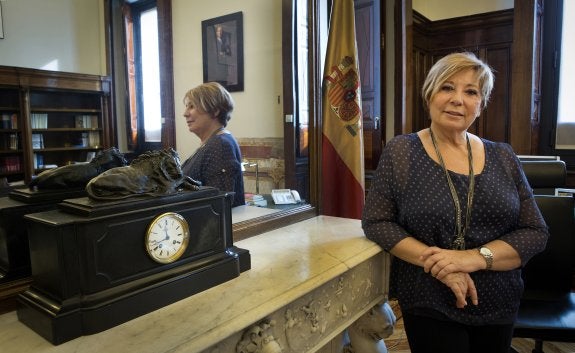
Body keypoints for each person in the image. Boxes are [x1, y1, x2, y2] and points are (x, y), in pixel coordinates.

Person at [362, 52, 548, 353]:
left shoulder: (504, 155)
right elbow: (377, 222)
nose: (457, 99)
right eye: (447, 87)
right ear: (430, 93)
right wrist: (442, 265)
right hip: (429, 297)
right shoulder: (401, 151)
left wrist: (472, 258)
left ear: (481, 103)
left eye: (471, 91)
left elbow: (534, 231)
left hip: (499, 299)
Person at [181, 82, 245, 207]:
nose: (185, 113)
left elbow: (218, 206)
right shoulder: (212, 142)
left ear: (215, 111)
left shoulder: (220, 145)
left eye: (192, 106)